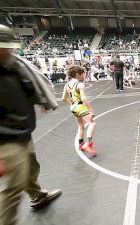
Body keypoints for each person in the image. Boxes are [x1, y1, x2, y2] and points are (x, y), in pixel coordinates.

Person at [0, 24, 61, 225]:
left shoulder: (13, 66)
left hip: (22, 132)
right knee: (11, 189)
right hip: (5, 140)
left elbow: (28, 85)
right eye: (4, 47)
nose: (8, 51)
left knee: (30, 167)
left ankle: (37, 195)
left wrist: (40, 99)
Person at [62, 65, 97, 155]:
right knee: (92, 123)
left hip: (73, 107)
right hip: (80, 107)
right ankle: (88, 144)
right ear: (77, 74)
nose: (84, 75)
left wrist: (72, 104)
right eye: (83, 73)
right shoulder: (80, 84)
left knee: (81, 125)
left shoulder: (67, 85)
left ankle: (81, 144)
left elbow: (64, 98)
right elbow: (84, 98)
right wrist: (91, 110)